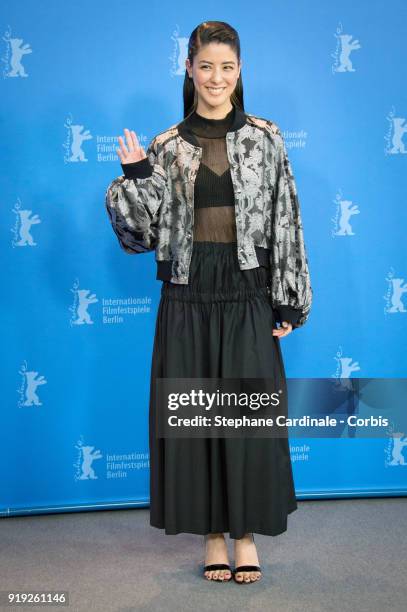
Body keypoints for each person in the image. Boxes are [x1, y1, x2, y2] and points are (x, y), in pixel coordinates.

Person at [105, 21, 313, 585]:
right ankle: (213, 537)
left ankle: (245, 536)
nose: (216, 77)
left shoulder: (267, 138)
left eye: (227, 67)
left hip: (245, 289)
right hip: (187, 292)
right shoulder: (166, 145)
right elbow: (138, 236)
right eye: (205, 66)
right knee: (196, 417)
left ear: (239, 71)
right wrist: (134, 176)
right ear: (190, 71)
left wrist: (288, 299)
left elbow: (285, 219)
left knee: (246, 418)